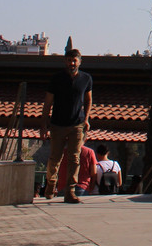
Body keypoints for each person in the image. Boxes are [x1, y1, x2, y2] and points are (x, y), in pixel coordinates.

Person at [40, 49, 93, 203]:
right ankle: (51, 184)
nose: (72, 63)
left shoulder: (86, 79)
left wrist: (86, 119)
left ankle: (70, 191)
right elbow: (48, 102)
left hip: (77, 124)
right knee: (55, 158)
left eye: (74, 60)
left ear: (80, 62)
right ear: (65, 61)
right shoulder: (56, 79)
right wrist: (44, 124)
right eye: (69, 60)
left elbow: (88, 100)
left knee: (74, 158)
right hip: (58, 124)